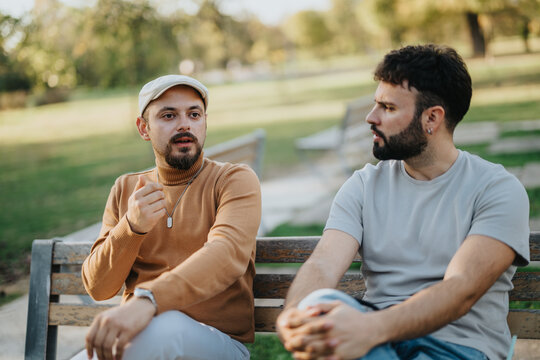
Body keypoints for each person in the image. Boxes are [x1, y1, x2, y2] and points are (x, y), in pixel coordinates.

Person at [276, 44, 530, 360]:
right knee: (320, 305)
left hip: (455, 348)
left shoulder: (497, 190)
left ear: (432, 118)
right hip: (373, 343)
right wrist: (295, 313)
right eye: (375, 104)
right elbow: (323, 263)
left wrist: (368, 329)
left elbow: (461, 290)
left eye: (388, 108)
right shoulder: (363, 186)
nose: (371, 117)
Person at [77, 75, 261, 360]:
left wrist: (148, 299)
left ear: (205, 121)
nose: (185, 124)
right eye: (168, 115)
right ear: (144, 128)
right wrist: (131, 227)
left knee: (166, 329)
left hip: (219, 344)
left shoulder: (233, 180)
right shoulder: (126, 189)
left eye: (194, 114)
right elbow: (99, 288)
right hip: (141, 344)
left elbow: (226, 253)